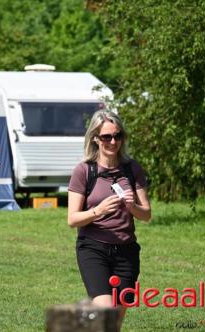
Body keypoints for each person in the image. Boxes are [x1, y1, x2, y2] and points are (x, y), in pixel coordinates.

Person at [67, 110, 151, 331]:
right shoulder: (84, 171)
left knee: (115, 321)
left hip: (126, 251)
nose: (113, 141)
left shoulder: (132, 169)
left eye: (117, 135)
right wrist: (98, 211)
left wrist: (132, 207)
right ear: (95, 138)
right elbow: (73, 219)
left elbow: (147, 215)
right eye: (106, 137)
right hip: (93, 249)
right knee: (105, 312)